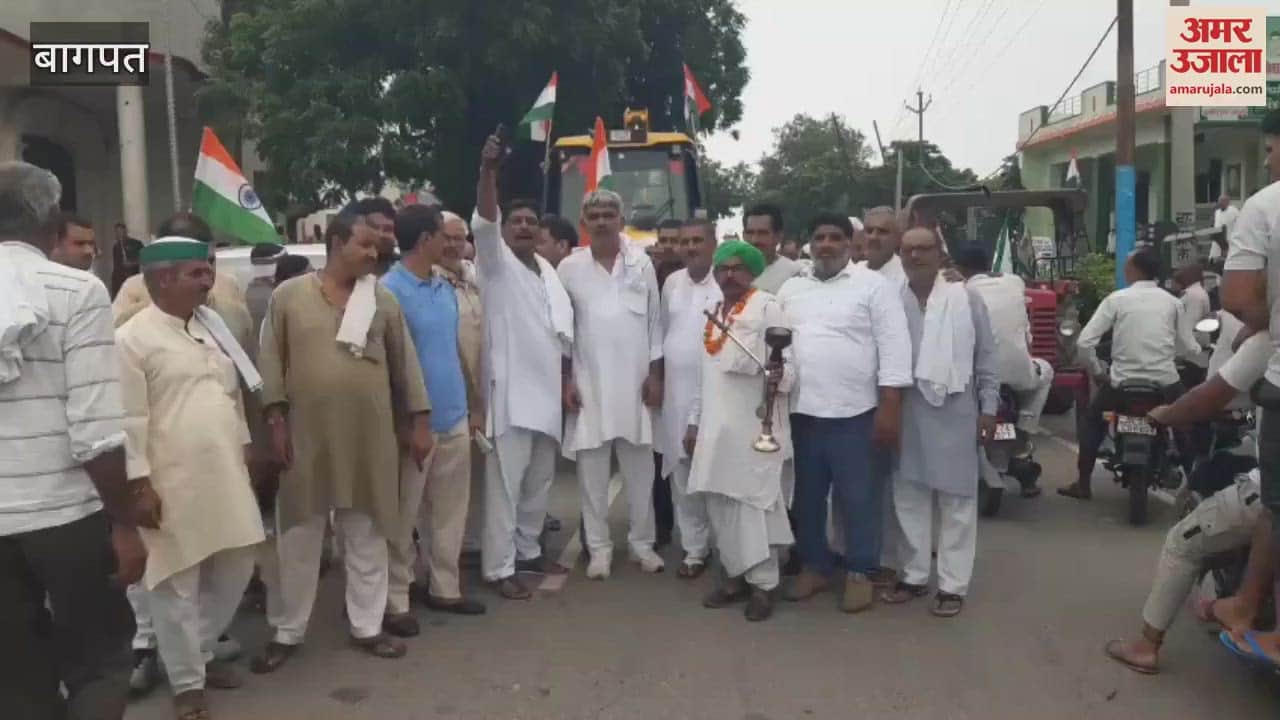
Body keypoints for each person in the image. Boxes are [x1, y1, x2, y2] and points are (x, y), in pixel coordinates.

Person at [251, 214, 432, 672]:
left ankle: (368, 627)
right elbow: (271, 361)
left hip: (369, 437)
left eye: (377, 247)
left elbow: (404, 366)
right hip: (306, 437)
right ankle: (288, 631)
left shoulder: (382, 299)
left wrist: (418, 422)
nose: (375, 254)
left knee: (367, 533)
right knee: (298, 536)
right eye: (365, 245)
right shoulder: (289, 297)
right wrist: (276, 420)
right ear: (336, 243)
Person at [0, 161, 147, 720]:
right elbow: (95, 432)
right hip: (65, 520)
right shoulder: (76, 291)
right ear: (51, 222)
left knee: (14, 677)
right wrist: (125, 523)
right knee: (101, 662)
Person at [116, 237, 266, 719]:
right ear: (164, 279)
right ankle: (187, 684)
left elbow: (231, 393)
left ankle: (194, 654)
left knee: (241, 558)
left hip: (225, 470)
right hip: (169, 479)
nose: (208, 281)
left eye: (208, 272)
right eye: (197, 274)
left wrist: (246, 444)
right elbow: (129, 419)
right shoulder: (131, 339)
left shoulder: (211, 327)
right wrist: (138, 485)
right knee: (176, 581)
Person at [1103, 327, 1272, 674]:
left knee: (1182, 543)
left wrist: (1167, 415)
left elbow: (1210, 396)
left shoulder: (1267, 339)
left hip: (1266, 486)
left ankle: (1146, 645)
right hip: (1173, 382)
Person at [778, 211, 912, 613]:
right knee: (808, 498)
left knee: (859, 497)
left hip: (857, 413)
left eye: (835, 237)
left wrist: (890, 406)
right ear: (809, 243)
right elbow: (777, 343)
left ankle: (859, 571)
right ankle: (816, 566)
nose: (826, 245)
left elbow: (894, 345)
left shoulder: (873, 286)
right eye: (819, 237)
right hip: (802, 412)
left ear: (850, 244)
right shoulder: (792, 289)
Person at [473, 132, 574, 599]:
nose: (524, 227)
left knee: (538, 483)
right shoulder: (495, 266)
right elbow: (485, 220)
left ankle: (529, 551)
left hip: (546, 396)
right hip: (511, 397)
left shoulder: (546, 271)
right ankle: (498, 567)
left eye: (532, 222)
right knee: (506, 489)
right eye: (516, 221)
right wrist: (489, 171)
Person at [879, 228, 999, 618]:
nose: (916, 256)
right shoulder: (891, 299)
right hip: (906, 410)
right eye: (908, 250)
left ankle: (952, 585)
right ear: (900, 254)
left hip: (955, 408)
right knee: (908, 495)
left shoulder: (965, 297)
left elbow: (987, 357)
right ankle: (913, 576)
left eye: (924, 248)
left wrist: (989, 407)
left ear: (939, 252)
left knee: (957, 501)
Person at [382, 205, 487, 630]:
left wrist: (474, 406)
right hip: (413, 425)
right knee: (404, 516)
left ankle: (445, 588)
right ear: (426, 240)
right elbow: (390, 366)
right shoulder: (389, 291)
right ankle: (396, 600)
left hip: (455, 416)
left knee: (449, 512)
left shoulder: (444, 287)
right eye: (445, 236)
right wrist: (411, 422)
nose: (453, 244)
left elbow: (455, 352)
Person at [560, 187, 666, 579]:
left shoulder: (642, 265)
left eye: (609, 213)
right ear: (584, 224)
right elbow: (562, 330)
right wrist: (565, 380)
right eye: (595, 215)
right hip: (589, 383)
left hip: (637, 384)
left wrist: (655, 377)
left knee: (642, 473)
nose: (602, 220)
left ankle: (642, 545)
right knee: (591, 475)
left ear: (621, 221)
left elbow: (656, 324)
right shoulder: (569, 268)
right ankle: (599, 549)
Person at [689, 241, 795, 622]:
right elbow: (706, 378)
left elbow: (787, 365)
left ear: (752, 272)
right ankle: (734, 578)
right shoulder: (714, 313)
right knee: (720, 505)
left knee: (753, 505)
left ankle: (764, 586)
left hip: (753, 427)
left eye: (737, 268)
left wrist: (779, 377)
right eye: (722, 268)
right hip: (715, 430)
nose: (728, 274)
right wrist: (693, 420)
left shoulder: (766, 306)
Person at [1060, 247, 1200, 500]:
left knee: (1093, 422)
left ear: (1135, 269)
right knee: (1185, 424)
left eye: (1127, 264)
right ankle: (1196, 488)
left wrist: (1098, 370)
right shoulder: (1172, 302)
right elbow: (1188, 345)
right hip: (1165, 382)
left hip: (1121, 384)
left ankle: (1083, 483)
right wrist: (1197, 351)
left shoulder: (1117, 299)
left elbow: (1084, 343)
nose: (1124, 268)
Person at [1220, 107, 1280, 666]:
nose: (1266, 158)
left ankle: (1250, 611)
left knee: (1277, 508)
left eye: (1269, 148)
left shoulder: (1264, 206)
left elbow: (1237, 301)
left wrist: (1269, 318)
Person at [656, 218, 721, 578]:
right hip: (676, 395)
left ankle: (725, 547)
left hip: (715, 394)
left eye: (698, 240)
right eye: (685, 242)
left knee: (714, 471)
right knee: (681, 473)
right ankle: (695, 551)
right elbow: (665, 333)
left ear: (713, 243)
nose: (691, 247)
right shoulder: (671, 283)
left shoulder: (725, 282)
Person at [111, 214, 252, 353]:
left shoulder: (229, 290)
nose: (207, 272)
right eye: (194, 267)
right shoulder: (134, 290)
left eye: (210, 261)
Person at [954, 244, 1055, 438]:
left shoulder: (960, 291)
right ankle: (1026, 427)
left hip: (977, 380)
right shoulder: (1015, 282)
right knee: (1047, 370)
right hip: (1019, 373)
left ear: (960, 268)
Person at [439, 211, 489, 562]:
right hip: (449, 398)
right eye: (448, 237)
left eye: (462, 237)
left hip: (482, 395)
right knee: (443, 489)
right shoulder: (427, 284)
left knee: (478, 476)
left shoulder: (471, 280)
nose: (456, 244)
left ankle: (472, 542)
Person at [744, 202, 804, 295]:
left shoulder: (793, 273)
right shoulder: (730, 271)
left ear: (778, 236)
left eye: (762, 233)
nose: (755, 240)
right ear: (743, 235)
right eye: (750, 232)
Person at [1173, 263, 1212, 388]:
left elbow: (1188, 325)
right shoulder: (1197, 292)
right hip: (1193, 348)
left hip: (1189, 354)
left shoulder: (1193, 295)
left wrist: (1182, 352)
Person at [343, 197, 398, 276]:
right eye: (373, 227)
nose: (380, 234)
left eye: (387, 229)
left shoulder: (409, 272)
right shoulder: (342, 274)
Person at [862, 206, 907, 288]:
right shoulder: (853, 272)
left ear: (897, 239)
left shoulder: (907, 278)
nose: (873, 237)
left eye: (882, 231)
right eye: (869, 231)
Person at [111, 221, 144, 297]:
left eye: (120, 231)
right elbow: (116, 265)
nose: (118, 234)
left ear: (125, 231)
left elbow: (144, 258)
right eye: (116, 232)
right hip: (119, 281)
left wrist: (132, 263)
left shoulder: (136, 243)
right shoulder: (116, 246)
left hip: (133, 277)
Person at [652, 218, 685, 287]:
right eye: (663, 240)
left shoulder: (698, 273)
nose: (668, 246)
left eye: (674, 241)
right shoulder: (648, 270)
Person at [1211, 193, 1240, 265]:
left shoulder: (1234, 211)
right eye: (1219, 201)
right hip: (1217, 240)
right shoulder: (1217, 212)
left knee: (1229, 261)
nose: (1220, 203)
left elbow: (1240, 224)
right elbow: (1215, 224)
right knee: (1214, 260)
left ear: (1227, 201)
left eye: (1222, 201)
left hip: (1229, 241)